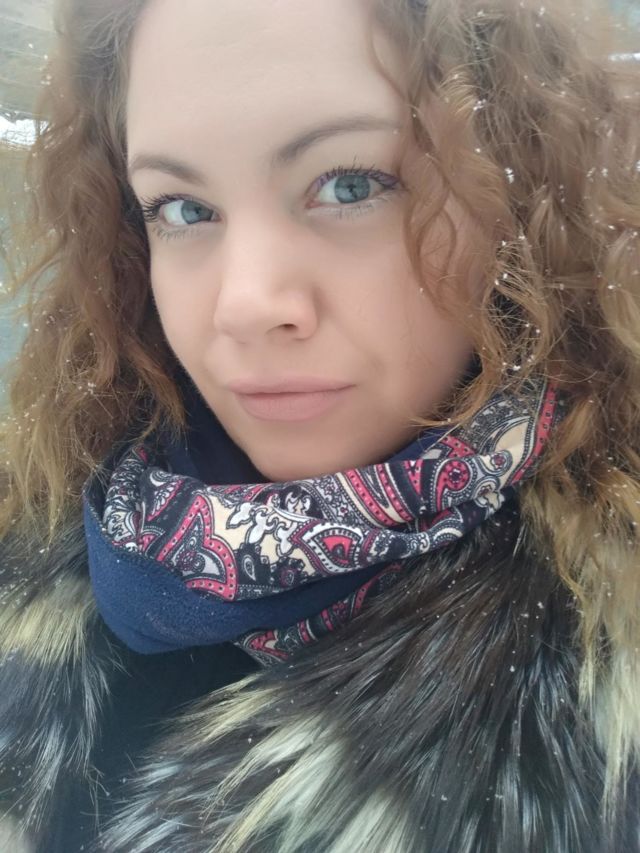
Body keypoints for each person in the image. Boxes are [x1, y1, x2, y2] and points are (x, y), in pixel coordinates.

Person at [0, 0, 639, 850]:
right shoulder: (41, 510)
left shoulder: (611, 673)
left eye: (350, 184)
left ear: (516, 196)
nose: (244, 304)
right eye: (183, 209)